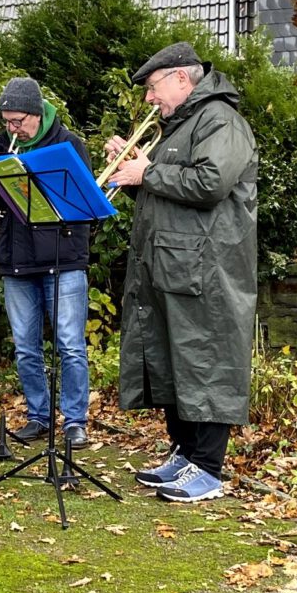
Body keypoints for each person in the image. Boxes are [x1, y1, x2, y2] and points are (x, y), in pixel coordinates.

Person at [105, 42, 258, 502]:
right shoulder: (182, 125)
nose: (150, 99)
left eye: (153, 88)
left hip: (207, 271)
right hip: (173, 265)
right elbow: (170, 197)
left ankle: (208, 469)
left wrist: (146, 173)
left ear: (180, 79)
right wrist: (132, 175)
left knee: (205, 362)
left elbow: (210, 183)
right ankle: (185, 455)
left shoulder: (221, 120)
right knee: (176, 363)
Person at [0, 76, 92, 449]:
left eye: (18, 121)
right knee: (25, 346)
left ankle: (75, 420)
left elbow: (83, 202)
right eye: (7, 122)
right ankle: (38, 416)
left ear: (37, 114)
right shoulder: (1, 146)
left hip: (63, 258)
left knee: (69, 343)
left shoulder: (68, 144)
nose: (12, 129)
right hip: (16, 259)